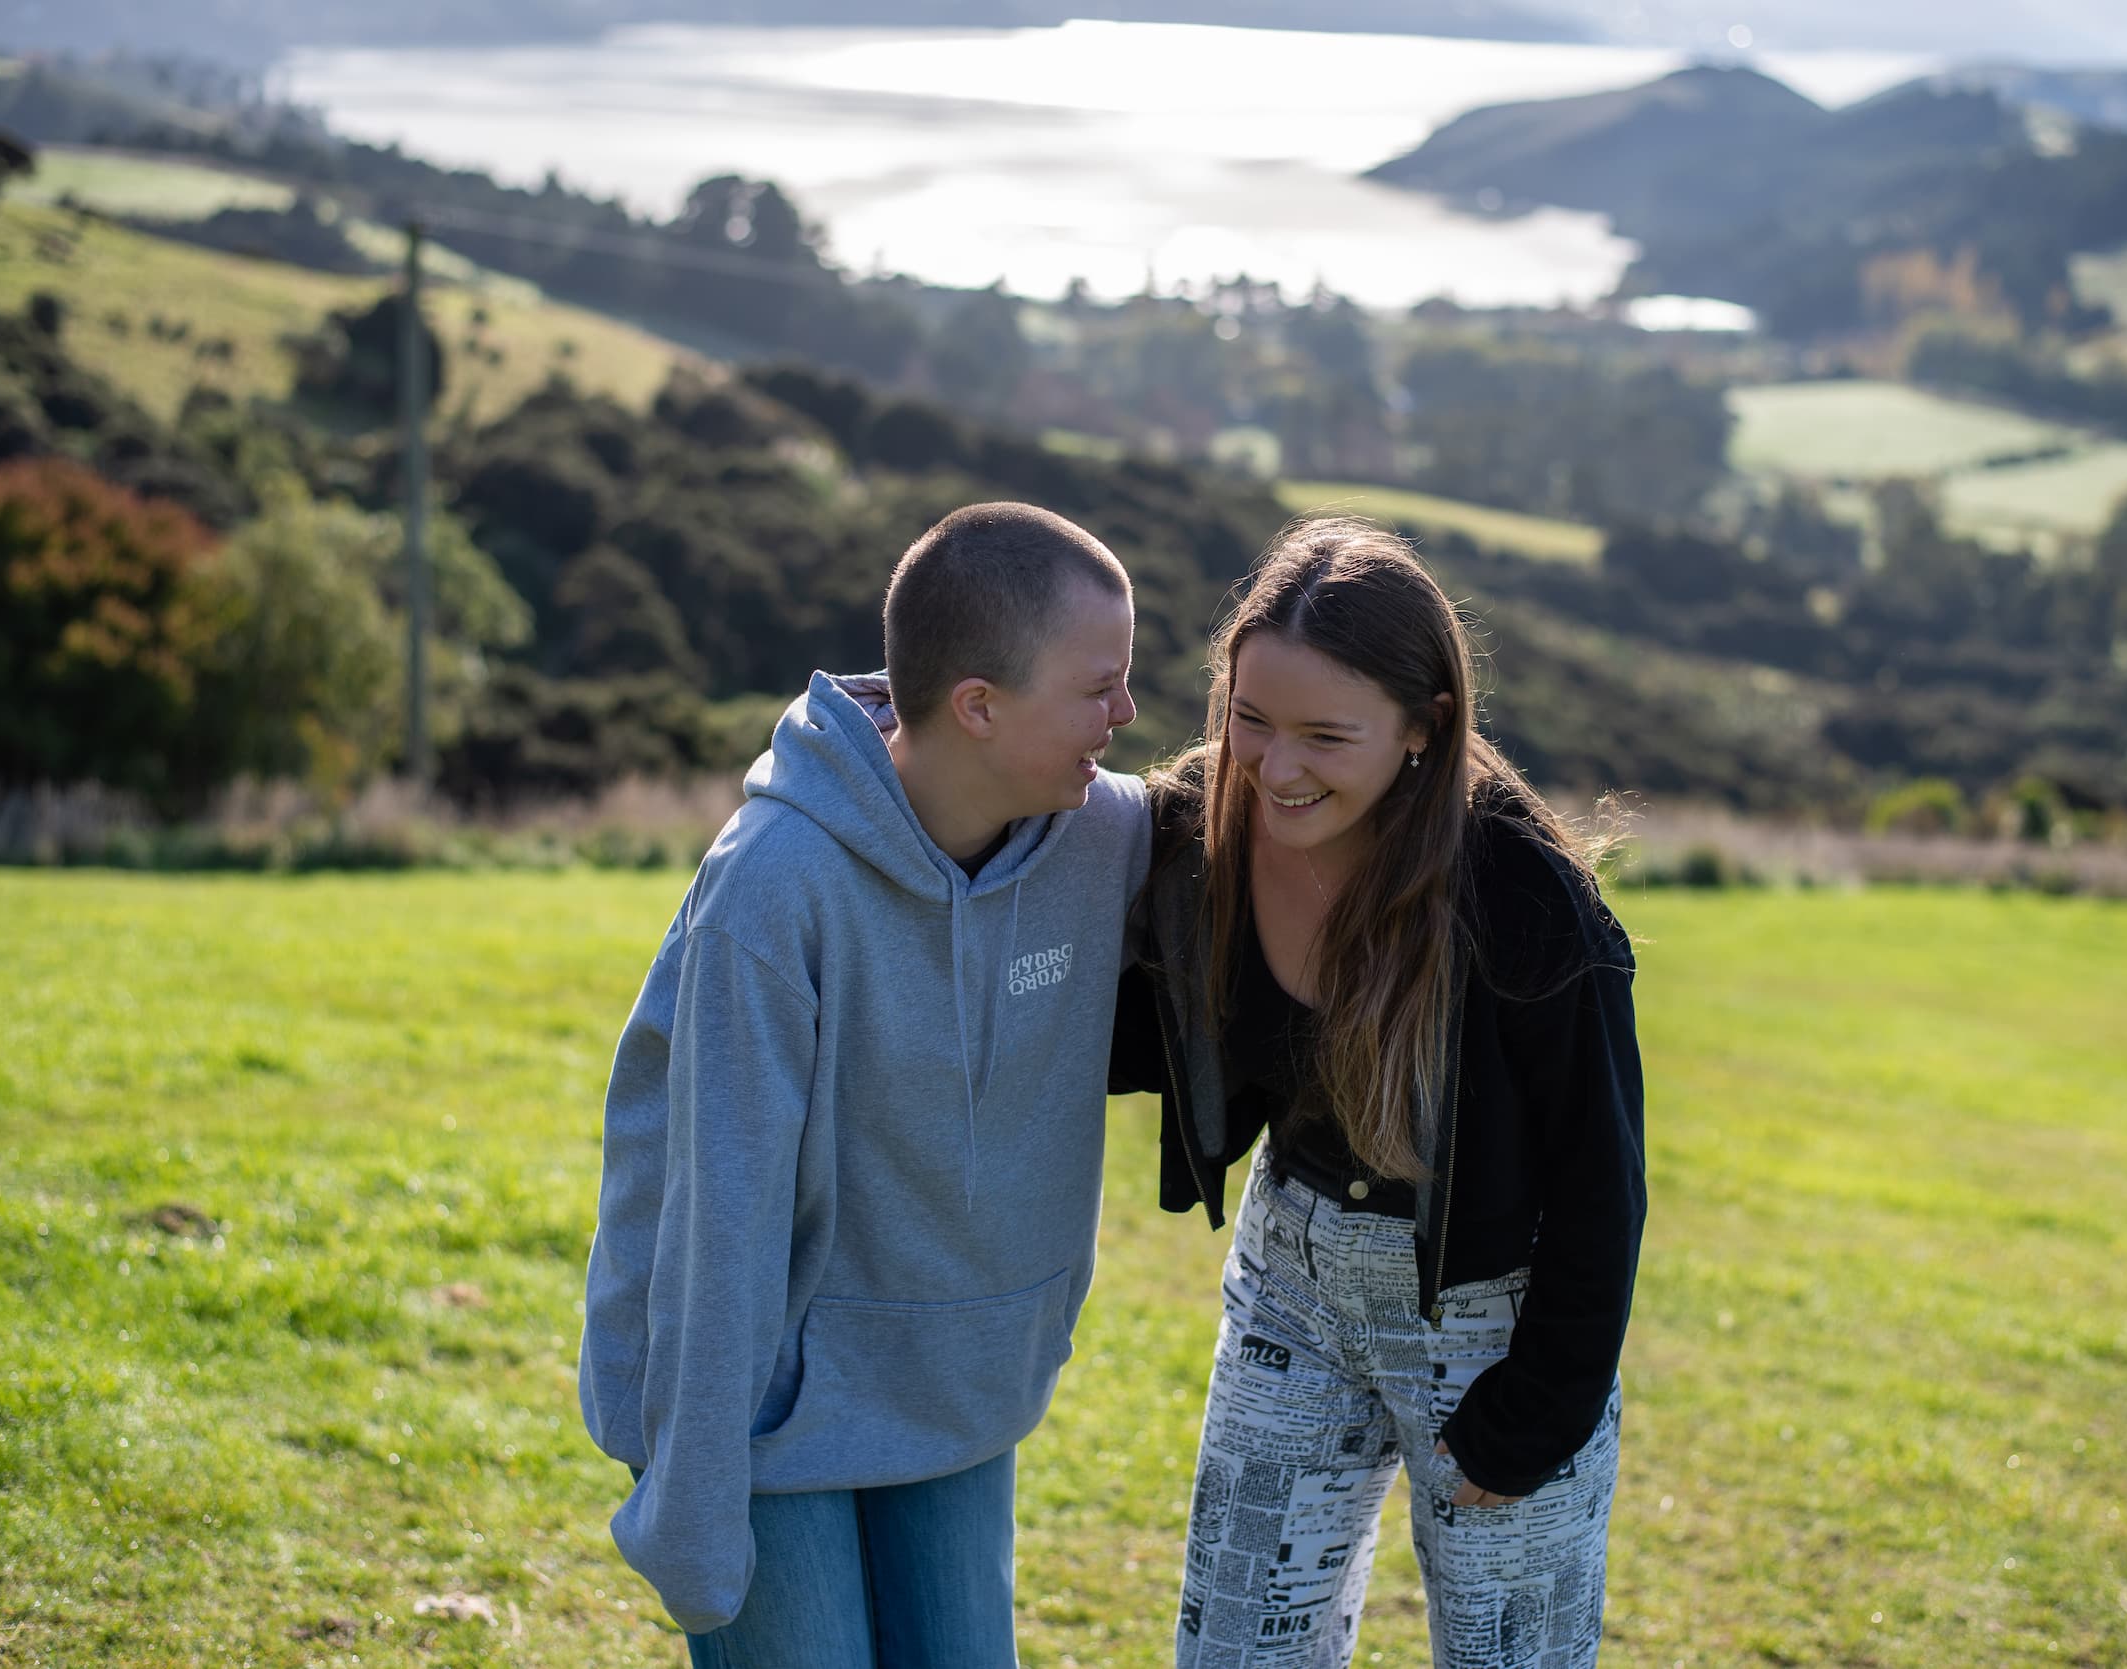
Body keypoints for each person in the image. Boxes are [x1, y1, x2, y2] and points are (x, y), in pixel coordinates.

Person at [578, 501, 1152, 1667]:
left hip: (952, 1385)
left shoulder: (1102, 837)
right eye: (1099, 686)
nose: (1127, 714)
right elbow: (715, 1215)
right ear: (978, 705)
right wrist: (695, 1497)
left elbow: (1295, 824)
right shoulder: (774, 886)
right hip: (758, 1398)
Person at [1111, 516, 1645, 1668]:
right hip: (1287, 1286)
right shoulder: (1198, 826)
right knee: (1237, 1653)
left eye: (1323, 735)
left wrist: (1533, 1417)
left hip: (1488, 1322)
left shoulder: (1526, 900)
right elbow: (1131, 1028)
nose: (1275, 765)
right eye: (1250, 718)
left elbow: (1603, 1185)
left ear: (1422, 728)